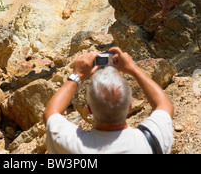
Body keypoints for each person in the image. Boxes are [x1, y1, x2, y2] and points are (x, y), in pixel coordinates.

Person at [44, 47, 174, 154]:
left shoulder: (73, 145)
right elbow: (164, 105)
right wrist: (134, 69)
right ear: (129, 106)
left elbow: (50, 113)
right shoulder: (151, 139)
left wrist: (77, 75)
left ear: (89, 109)